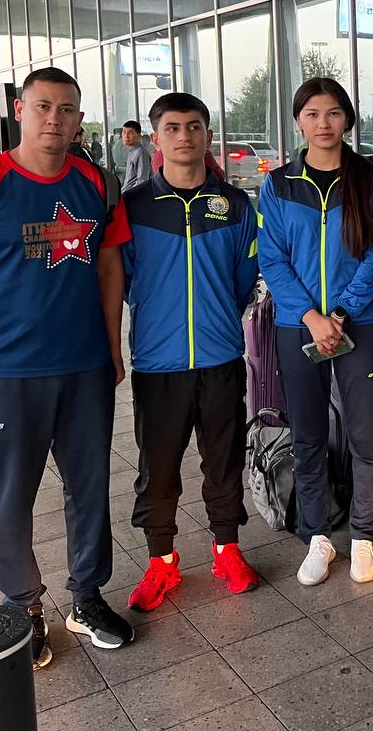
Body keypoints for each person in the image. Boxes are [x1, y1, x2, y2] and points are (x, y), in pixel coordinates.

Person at [0, 66, 135, 670]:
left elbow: (110, 270)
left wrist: (112, 348)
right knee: (9, 496)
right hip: (5, 374)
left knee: (89, 489)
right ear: (19, 110)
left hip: (84, 368)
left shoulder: (98, 184)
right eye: (43, 107)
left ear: (79, 119)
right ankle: (23, 605)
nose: (54, 120)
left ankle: (86, 596)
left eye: (66, 109)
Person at [121, 92, 260, 611]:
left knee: (224, 460)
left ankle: (227, 550)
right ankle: (162, 562)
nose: (185, 136)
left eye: (195, 126)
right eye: (173, 128)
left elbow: (244, 279)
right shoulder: (134, 207)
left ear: (207, 135)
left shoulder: (236, 205)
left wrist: (215, 317)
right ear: (156, 138)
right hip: (158, 362)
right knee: (158, 467)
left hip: (221, 358)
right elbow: (124, 279)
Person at [258, 77, 373, 587]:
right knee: (309, 433)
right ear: (299, 120)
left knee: (366, 430)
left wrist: (340, 312)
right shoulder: (279, 185)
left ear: (348, 120)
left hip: (361, 323)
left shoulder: (372, 179)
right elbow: (272, 258)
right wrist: (311, 317)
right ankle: (317, 534)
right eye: (313, 114)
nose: (324, 123)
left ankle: (363, 535)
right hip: (298, 326)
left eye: (334, 113)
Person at [123, 120, 153, 191]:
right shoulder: (132, 152)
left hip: (133, 195)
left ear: (139, 136)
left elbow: (142, 181)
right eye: (124, 132)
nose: (126, 136)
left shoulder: (141, 153)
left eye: (130, 133)